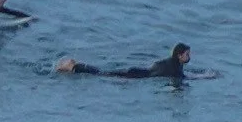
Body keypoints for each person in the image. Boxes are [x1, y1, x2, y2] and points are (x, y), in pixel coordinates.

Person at [57, 43, 190, 80]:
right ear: (179, 55)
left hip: (137, 72)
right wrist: (206, 77)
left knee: (105, 73)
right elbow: (184, 77)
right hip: (136, 76)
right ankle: (74, 66)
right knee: (103, 74)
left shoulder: (169, 62)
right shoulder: (175, 68)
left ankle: (75, 66)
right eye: (187, 54)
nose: (189, 57)